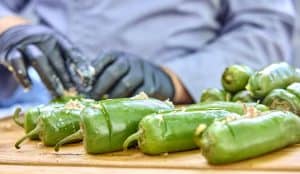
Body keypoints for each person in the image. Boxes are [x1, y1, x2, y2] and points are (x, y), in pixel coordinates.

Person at [0, 0, 296, 115]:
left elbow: (266, 25)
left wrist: (174, 80)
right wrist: (12, 31)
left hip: (183, 112)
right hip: (46, 104)